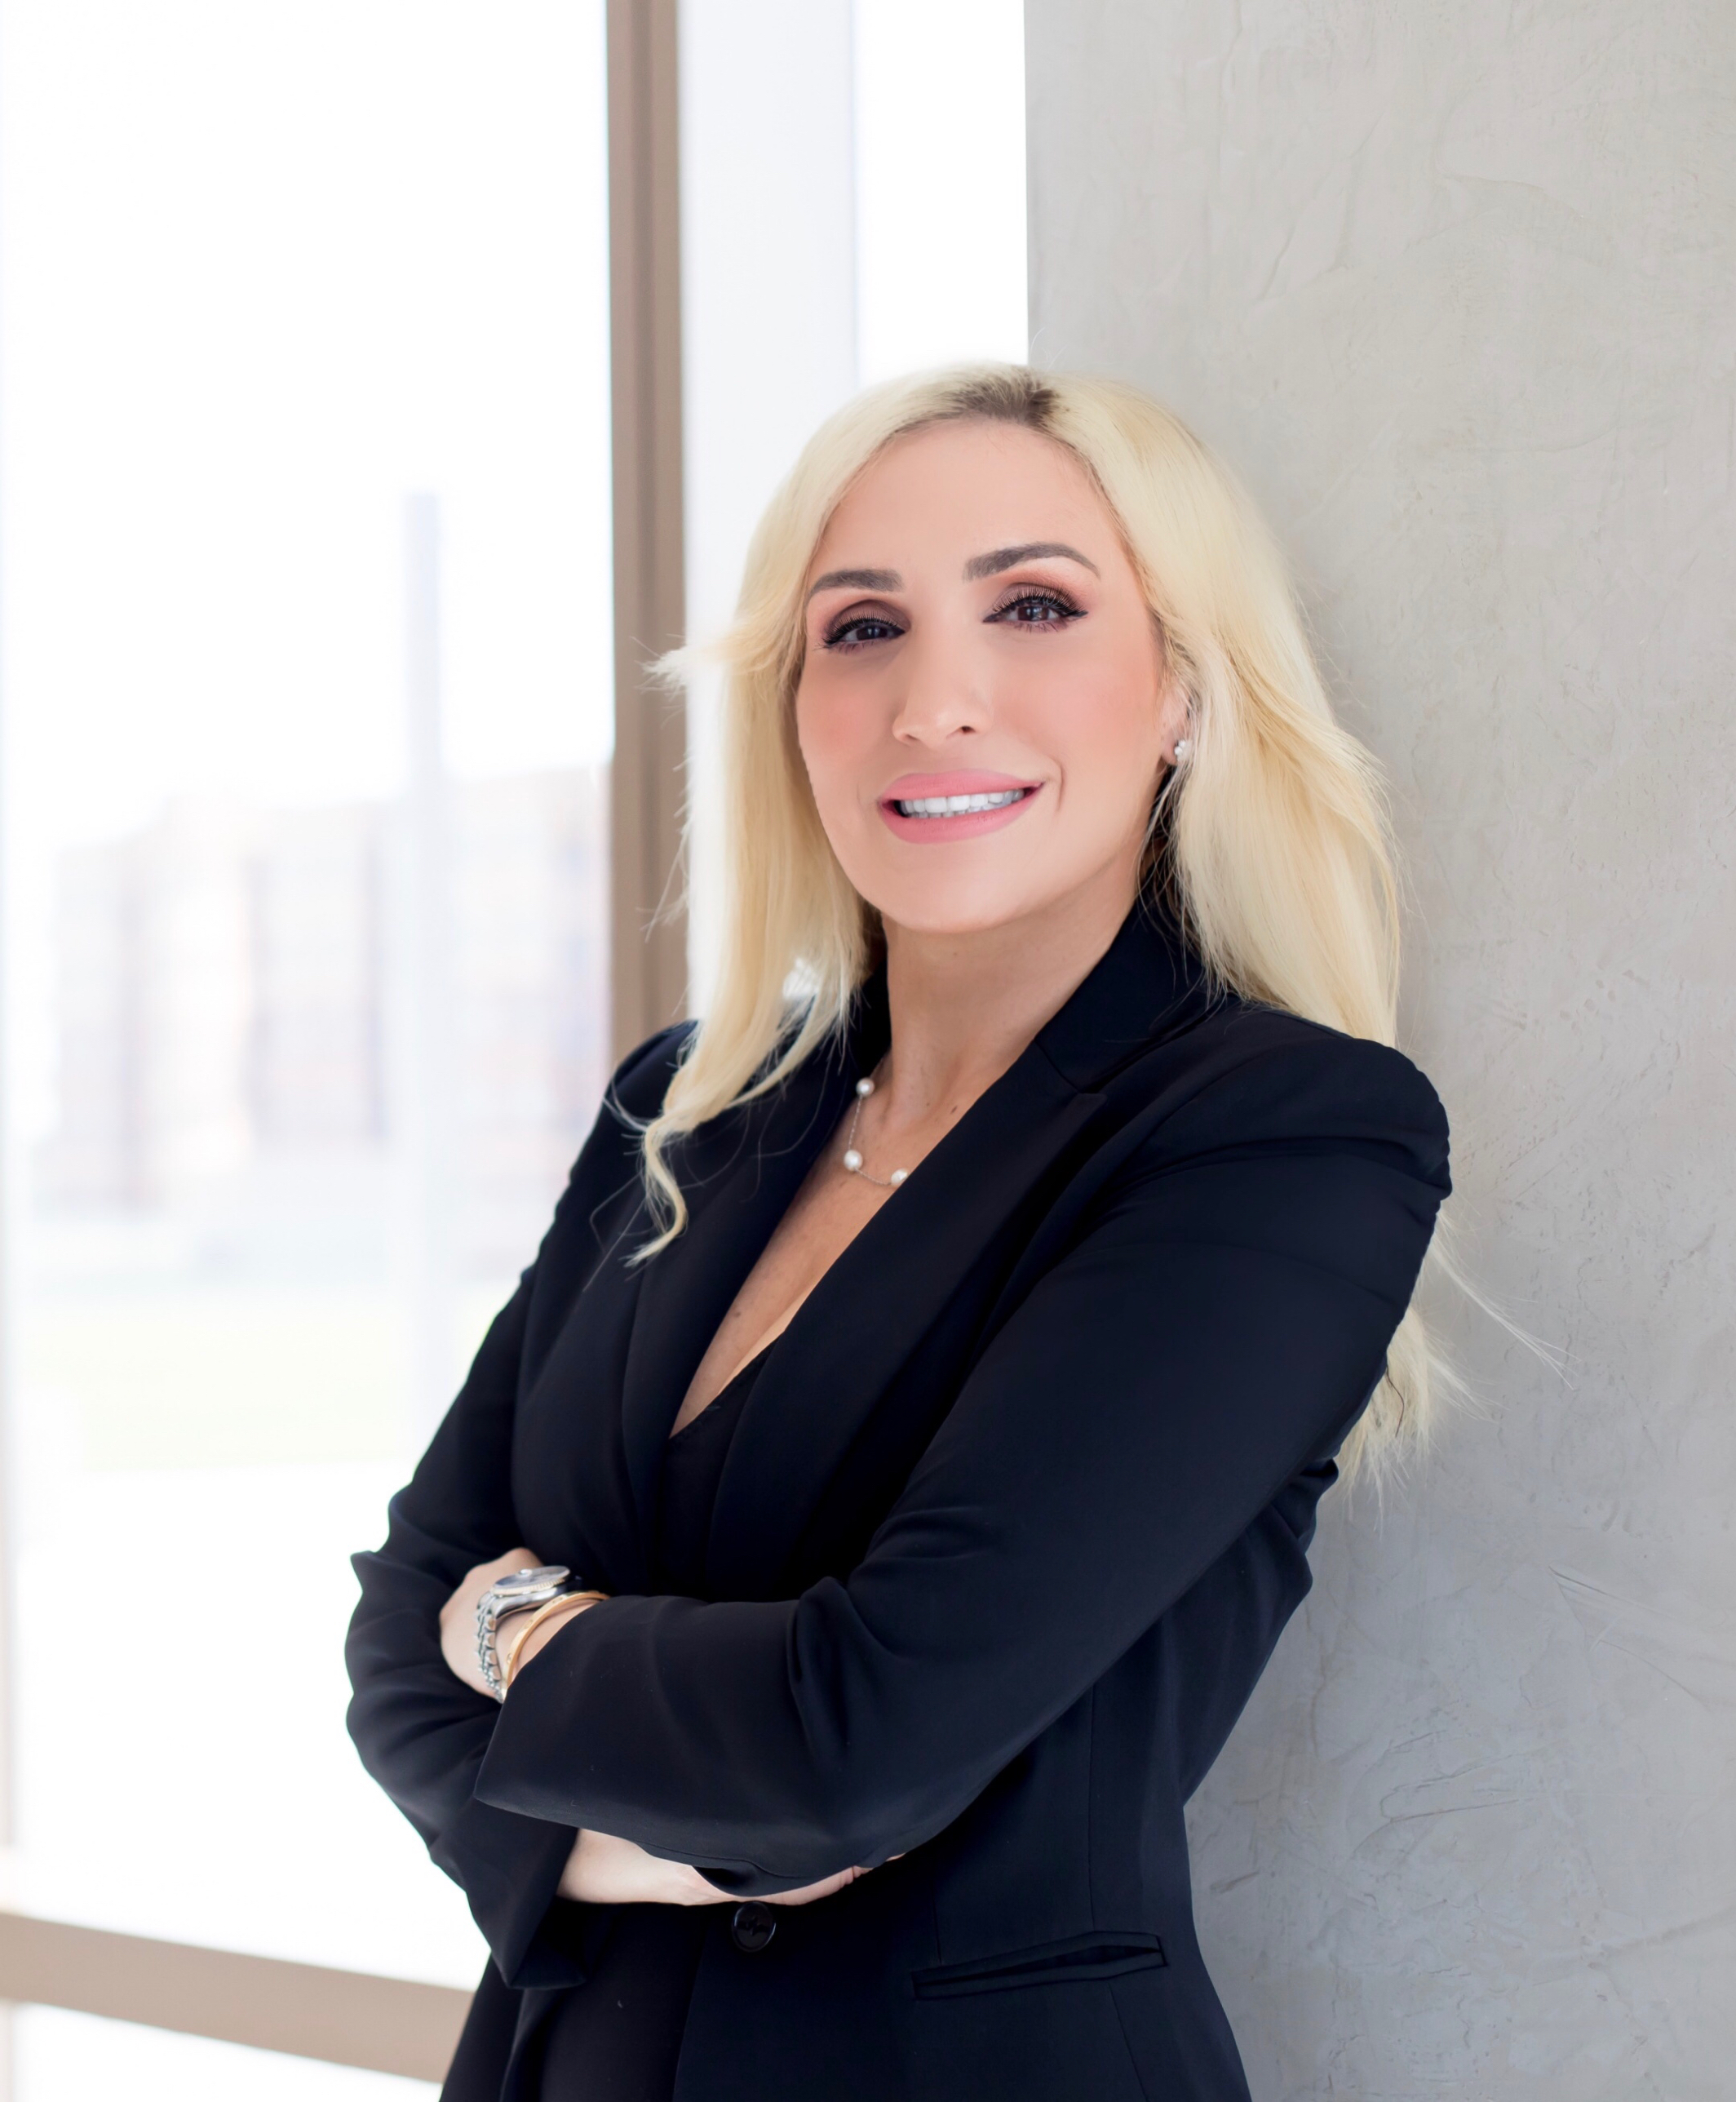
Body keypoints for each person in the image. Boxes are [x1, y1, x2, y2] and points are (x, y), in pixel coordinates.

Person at [346, 364, 1452, 2102]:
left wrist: (516, 1655)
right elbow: (395, 1635)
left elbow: (847, 1742)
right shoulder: (689, 1108)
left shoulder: (1273, 1132)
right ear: (794, 703)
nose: (935, 699)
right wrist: (646, 1790)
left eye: (1031, 606)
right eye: (859, 627)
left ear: (1178, 689)